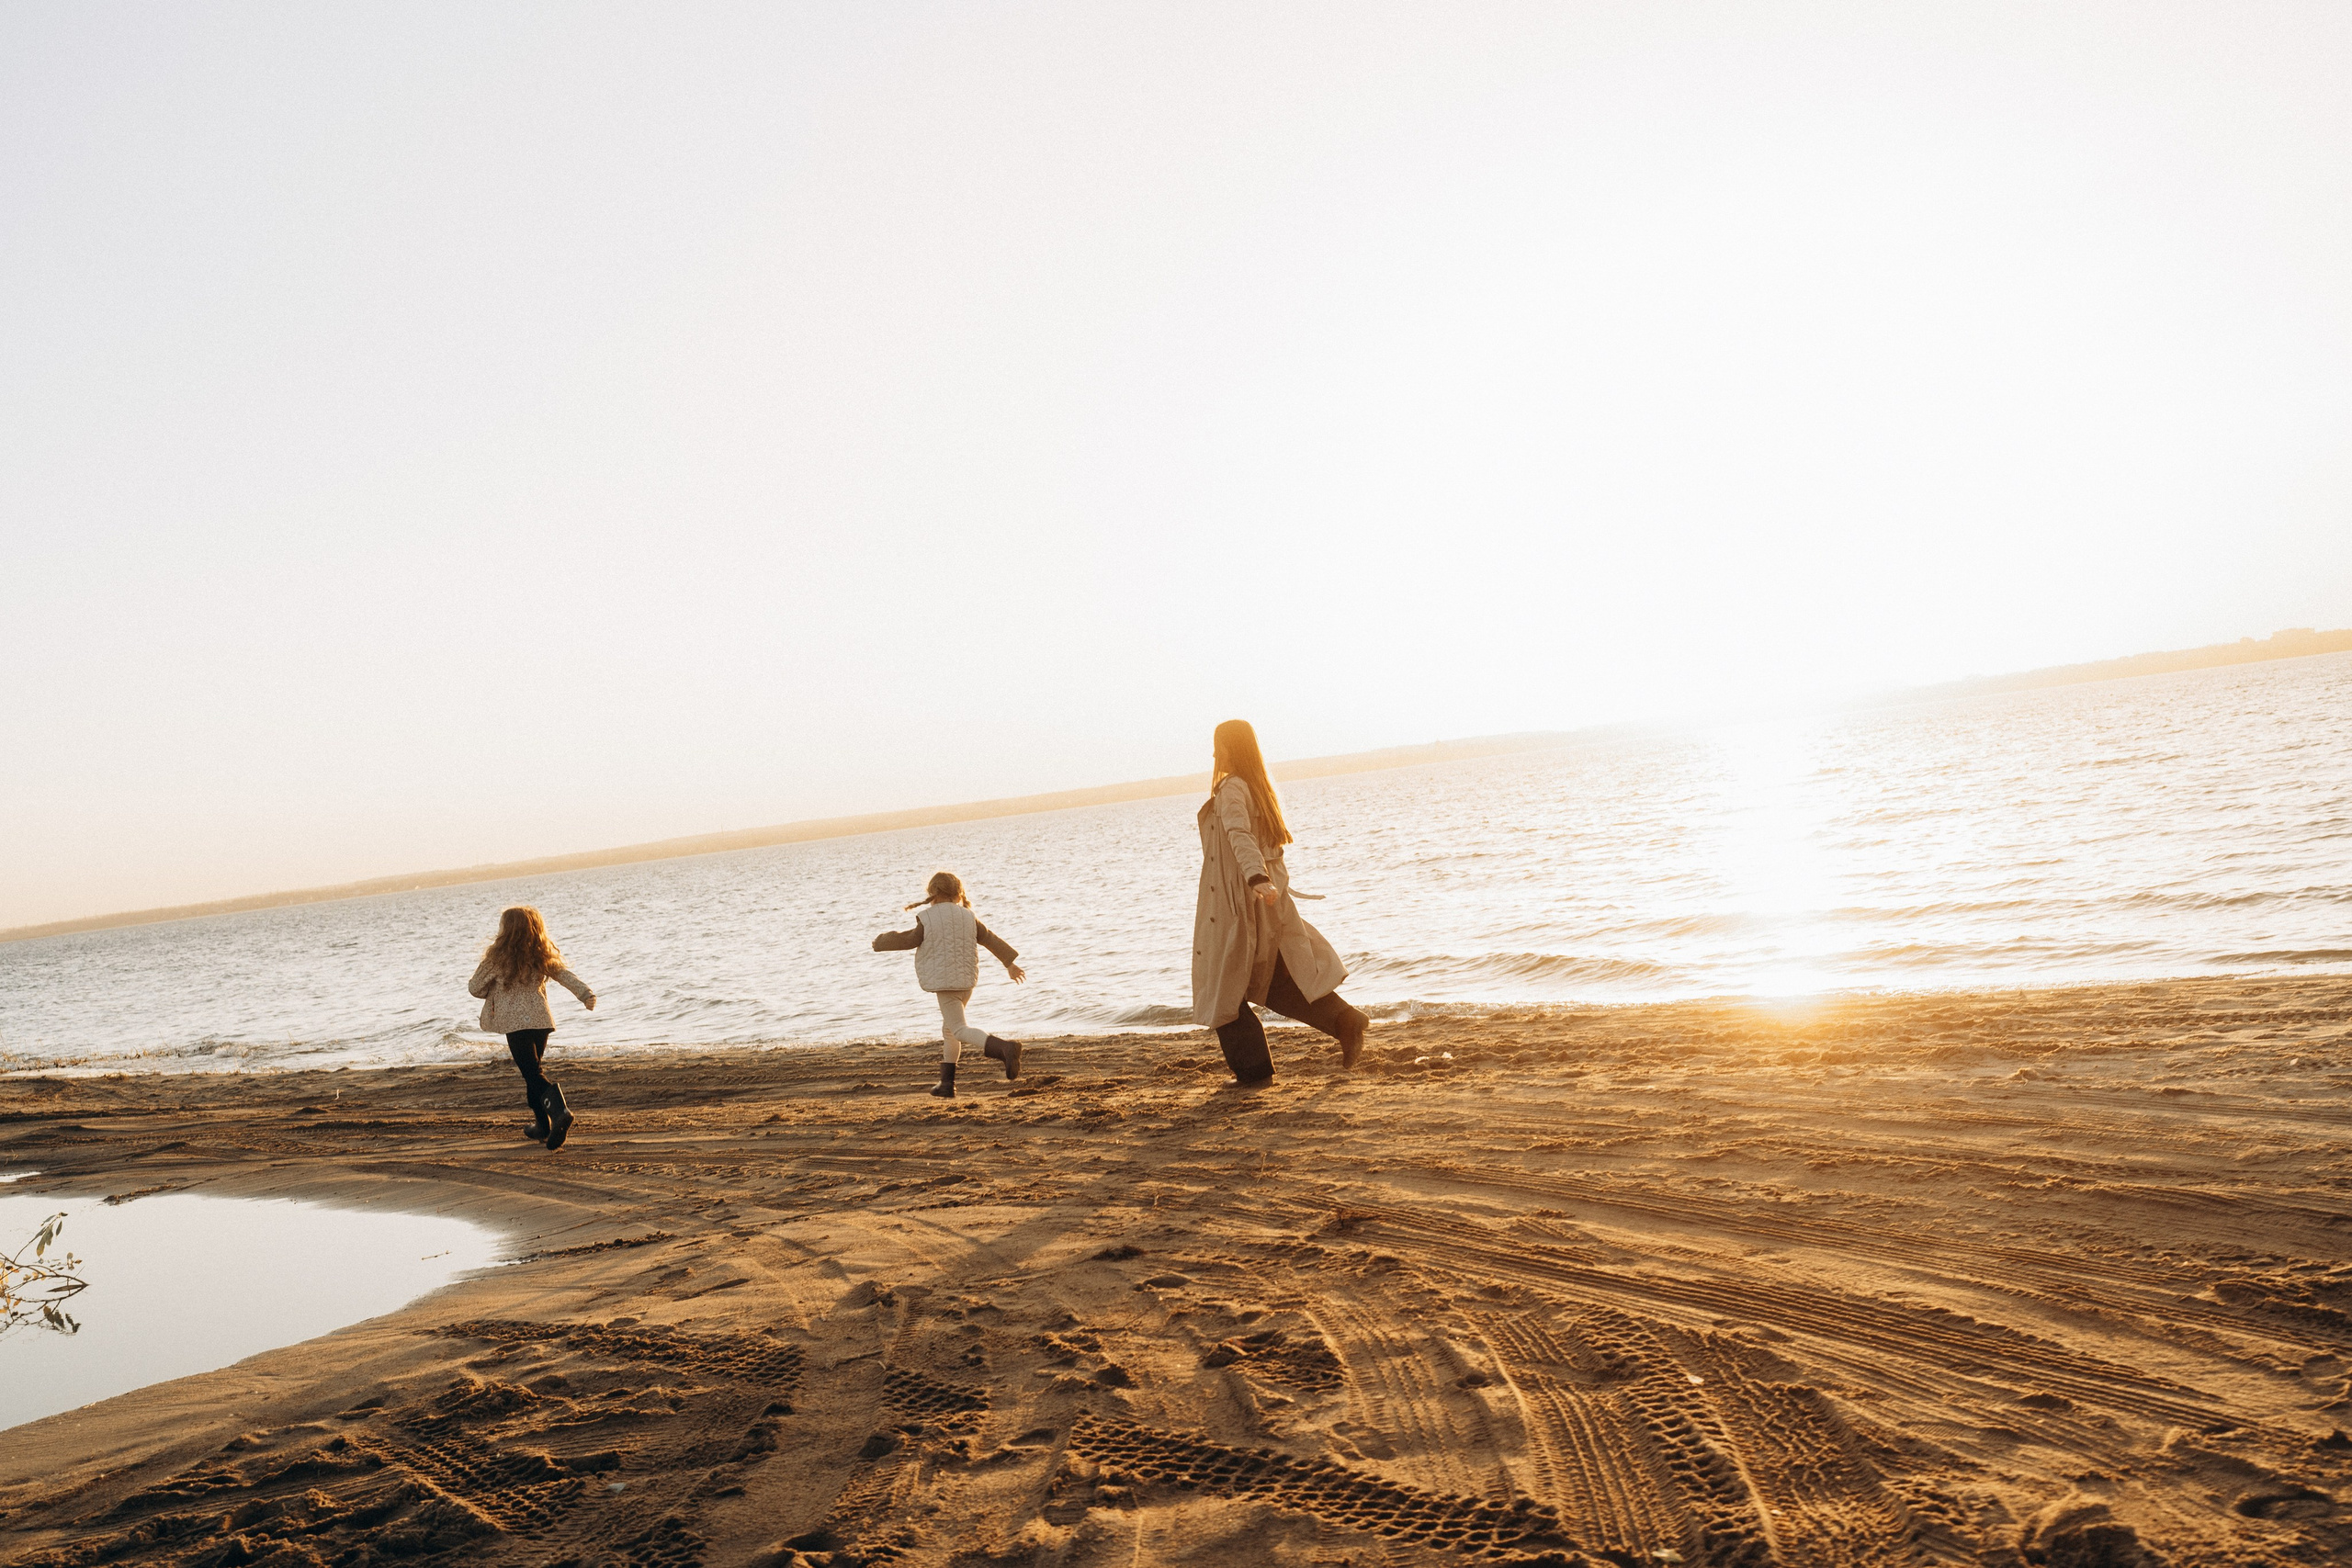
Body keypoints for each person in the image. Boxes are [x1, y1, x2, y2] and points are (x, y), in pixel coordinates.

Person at [1193, 719, 1367, 1084]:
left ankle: (1253, 1072)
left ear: (1231, 748)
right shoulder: (1257, 788)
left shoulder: (1231, 789)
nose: (1213, 753)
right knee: (1275, 981)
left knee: (1225, 990)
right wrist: (1263, 882)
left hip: (1242, 902)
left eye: (1217, 745)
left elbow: (1239, 835)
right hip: (1261, 900)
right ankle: (1344, 1021)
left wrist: (1256, 879)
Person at [873, 871, 1027, 1099]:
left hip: (946, 983)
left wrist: (881, 942)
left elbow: (909, 940)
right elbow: (990, 939)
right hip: (966, 982)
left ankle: (1004, 1048)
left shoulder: (928, 917)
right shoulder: (968, 916)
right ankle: (946, 1084)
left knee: (958, 1029)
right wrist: (1010, 963)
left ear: (932, 894)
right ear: (958, 895)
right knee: (950, 1031)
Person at [469, 906, 596, 1149]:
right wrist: (585, 994)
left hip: (515, 1025)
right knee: (532, 1072)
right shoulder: (540, 955)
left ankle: (560, 1113)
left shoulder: (497, 959)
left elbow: (475, 988)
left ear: (506, 931)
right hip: (541, 1022)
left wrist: (491, 985)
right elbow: (565, 975)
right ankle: (543, 1126)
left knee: (532, 1073)